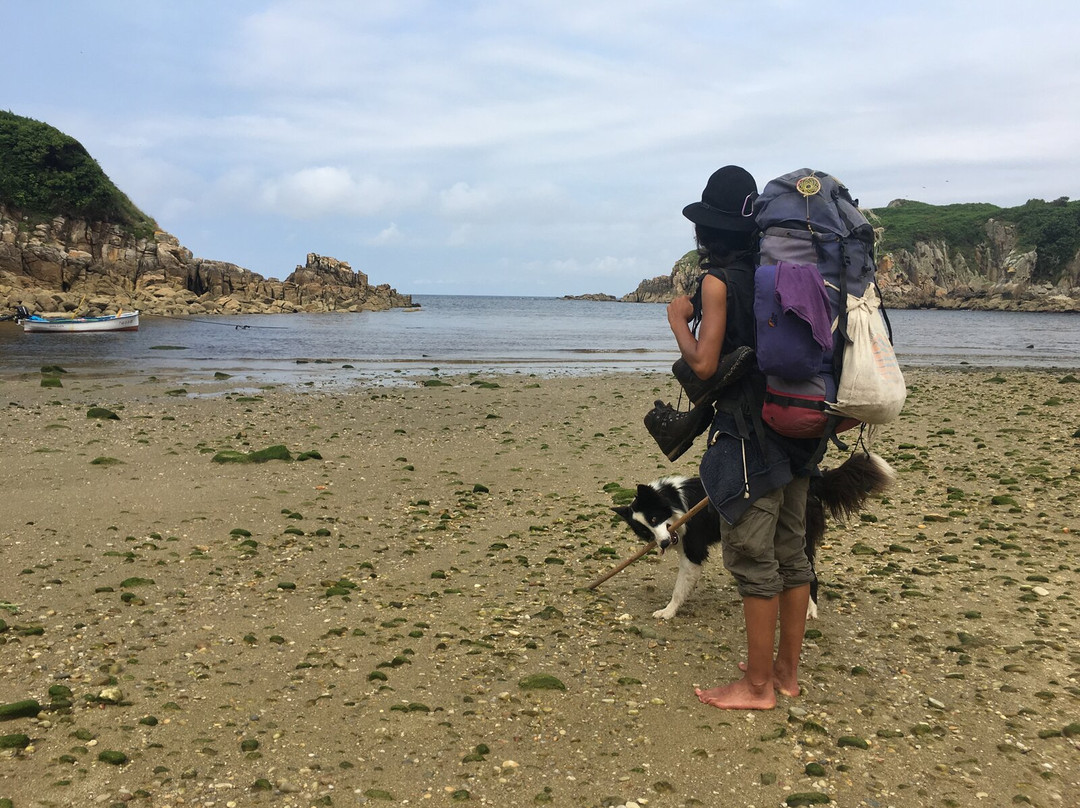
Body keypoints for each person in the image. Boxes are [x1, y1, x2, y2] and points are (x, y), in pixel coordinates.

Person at [666, 165, 816, 710]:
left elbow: (705, 366)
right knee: (792, 550)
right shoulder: (776, 270)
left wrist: (679, 322)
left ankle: (756, 689)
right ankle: (784, 672)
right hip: (800, 421)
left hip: (751, 433)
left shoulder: (717, 281)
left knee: (753, 555)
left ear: (709, 230)